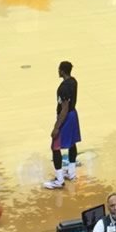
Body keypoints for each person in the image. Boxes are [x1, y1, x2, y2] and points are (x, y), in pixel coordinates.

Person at [44, 61, 82, 189]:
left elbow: (64, 108)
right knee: (72, 143)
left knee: (55, 147)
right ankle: (71, 173)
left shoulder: (63, 88)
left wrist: (56, 127)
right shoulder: (74, 81)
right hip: (73, 115)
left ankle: (59, 180)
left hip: (65, 117)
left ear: (62, 71)